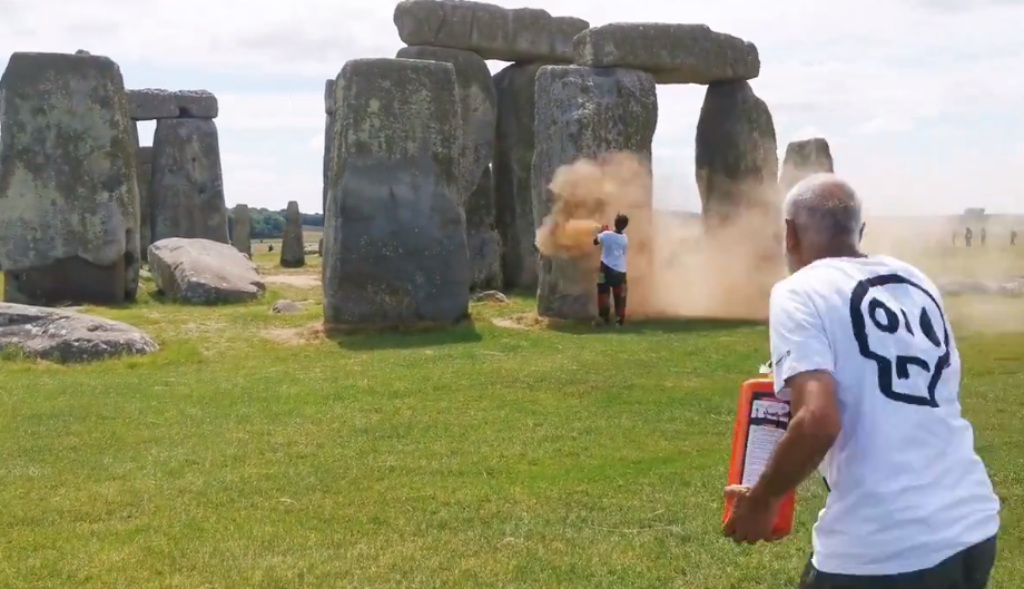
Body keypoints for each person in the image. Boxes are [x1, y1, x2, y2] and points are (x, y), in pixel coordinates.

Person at [723, 173, 1000, 588]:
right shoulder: (915, 279)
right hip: (972, 525)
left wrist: (763, 500)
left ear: (789, 233)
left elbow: (818, 420)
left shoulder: (798, 290)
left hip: (883, 547)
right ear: (860, 231)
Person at [593, 213, 629, 326]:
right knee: (620, 295)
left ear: (615, 222)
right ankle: (620, 319)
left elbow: (595, 242)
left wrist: (600, 232)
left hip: (605, 268)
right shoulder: (625, 238)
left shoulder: (606, 234)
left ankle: (604, 317)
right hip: (621, 270)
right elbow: (623, 252)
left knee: (602, 293)